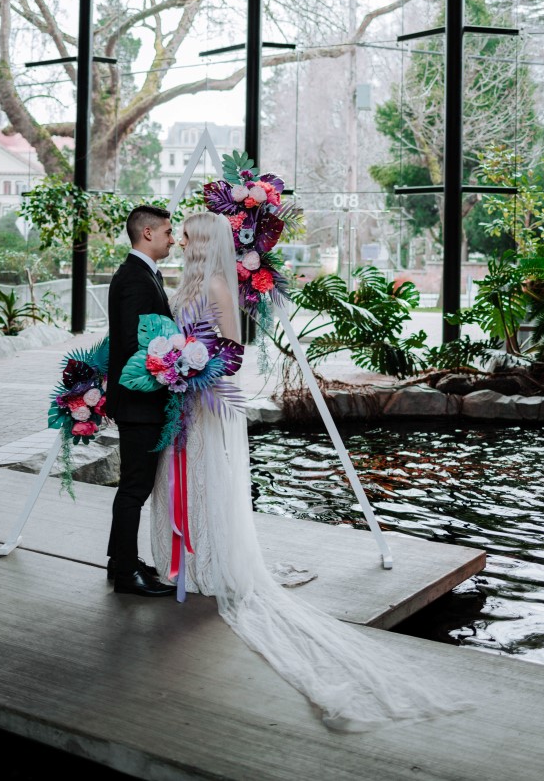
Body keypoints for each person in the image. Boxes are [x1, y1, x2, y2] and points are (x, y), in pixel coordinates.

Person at [151, 211, 465, 730]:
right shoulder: (182, 286)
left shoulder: (217, 287)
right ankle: (181, 557)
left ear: (202, 241)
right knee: (180, 481)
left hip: (205, 401)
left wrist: (196, 368)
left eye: (186, 235)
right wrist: (171, 366)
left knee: (206, 482)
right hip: (179, 400)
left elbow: (234, 351)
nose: (180, 241)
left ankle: (208, 561)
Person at [107, 204, 176, 597]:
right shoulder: (135, 278)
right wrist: (176, 360)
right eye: (168, 231)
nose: (172, 239)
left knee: (132, 486)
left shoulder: (142, 273)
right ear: (147, 233)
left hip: (138, 403)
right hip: (139, 403)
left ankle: (120, 560)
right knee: (135, 489)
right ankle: (125, 574)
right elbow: (137, 345)